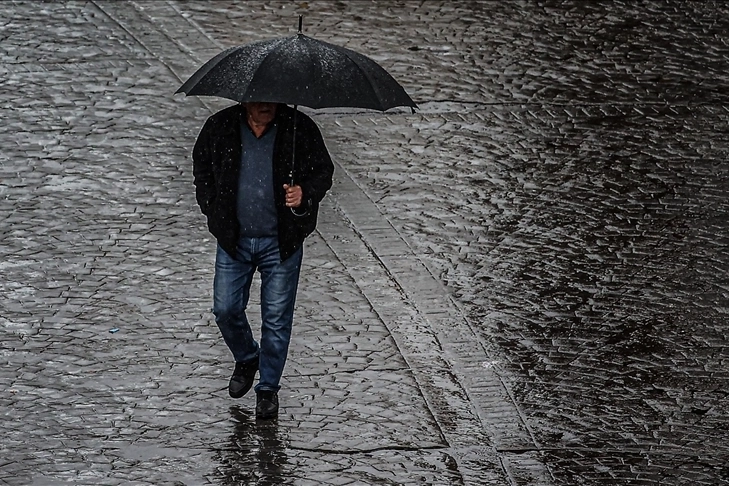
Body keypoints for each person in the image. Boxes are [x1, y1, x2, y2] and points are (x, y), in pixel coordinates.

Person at [192, 101, 334, 419]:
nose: (265, 106)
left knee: (276, 320)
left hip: (280, 242)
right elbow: (201, 167)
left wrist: (305, 193)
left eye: (271, 99)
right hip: (234, 241)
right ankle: (246, 356)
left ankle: (268, 389)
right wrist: (212, 208)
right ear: (245, 100)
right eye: (258, 99)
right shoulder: (220, 127)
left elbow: (324, 171)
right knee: (225, 308)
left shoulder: (299, 128)